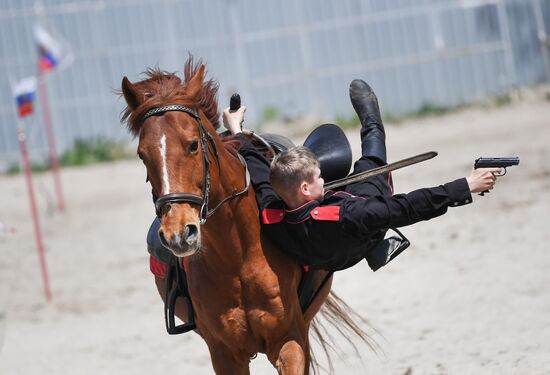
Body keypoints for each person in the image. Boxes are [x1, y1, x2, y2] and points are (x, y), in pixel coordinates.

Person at [223, 79, 501, 272]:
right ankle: (372, 122)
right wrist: (467, 185)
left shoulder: (271, 209)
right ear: (306, 189)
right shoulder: (349, 212)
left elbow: (257, 170)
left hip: (315, 259)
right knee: (372, 161)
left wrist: (236, 129)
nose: (323, 179)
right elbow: (407, 206)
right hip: (356, 243)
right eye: (319, 177)